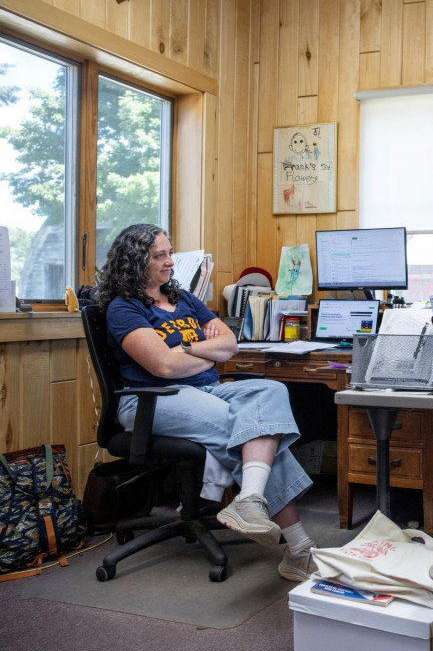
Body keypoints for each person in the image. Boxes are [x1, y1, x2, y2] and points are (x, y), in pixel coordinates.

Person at [96, 223, 317, 582]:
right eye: (160, 255)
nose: (170, 262)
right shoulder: (124, 309)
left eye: (170, 252)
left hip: (205, 390)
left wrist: (186, 349)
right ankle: (299, 548)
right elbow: (164, 367)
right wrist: (204, 353)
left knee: (272, 392)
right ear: (135, 262)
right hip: (150, 401)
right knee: (247, 429)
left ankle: (250, 499)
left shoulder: (183, 298)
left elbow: (230, 346)